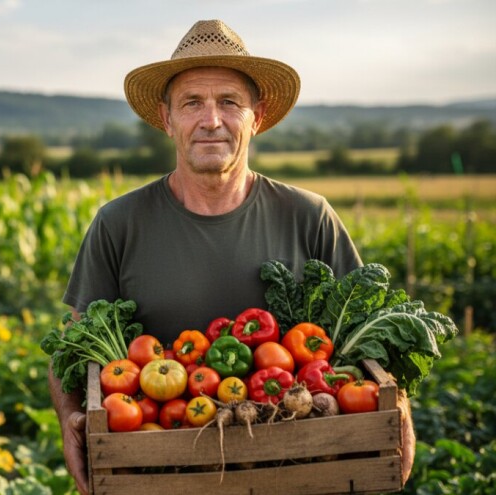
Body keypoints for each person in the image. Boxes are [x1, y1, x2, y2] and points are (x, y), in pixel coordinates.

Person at [48, 19, 416, 494]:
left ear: (257, 116)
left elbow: (374, 348)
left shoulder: (310, 216)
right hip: (163, 472)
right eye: (192, 103)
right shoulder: (119, 223)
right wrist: (72, 419)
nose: (211, 120)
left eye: (229, 102)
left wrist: (399, 409)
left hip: (303, 470)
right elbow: (74, 348)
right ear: (166, 118)